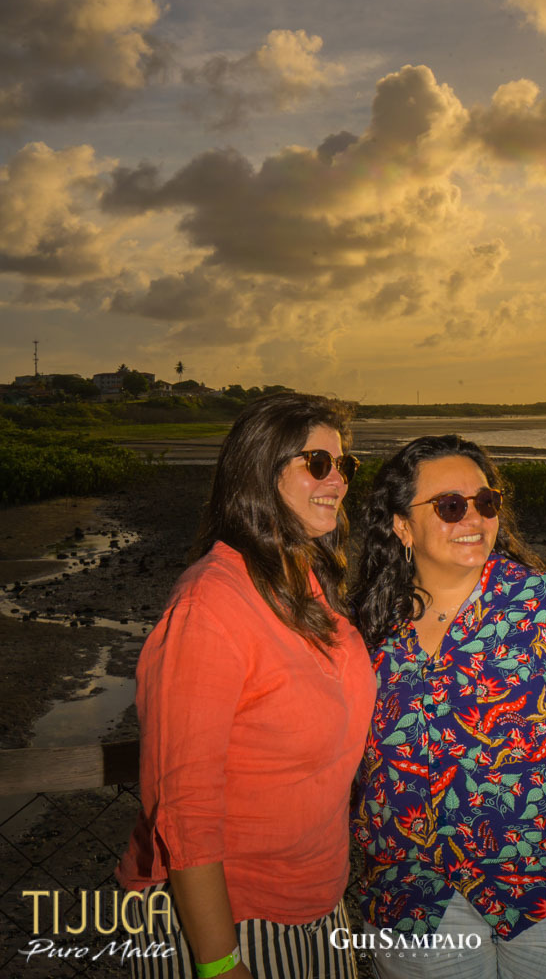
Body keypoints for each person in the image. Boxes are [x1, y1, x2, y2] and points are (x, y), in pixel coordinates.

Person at [349, 434, 546, 979]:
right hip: (414, 900)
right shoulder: (365, 627)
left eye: (486, 502)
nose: (474, 518)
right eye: (451, 506)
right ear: (402, 526)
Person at [117, 391, 376, 979]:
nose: (337, 479)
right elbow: (184, 805)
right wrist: (217, 963)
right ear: (261, 473)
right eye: (318, 463)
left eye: (345, 465)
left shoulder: (307, 582)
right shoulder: (212, 603)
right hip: (230, 920)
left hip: (316, 906)